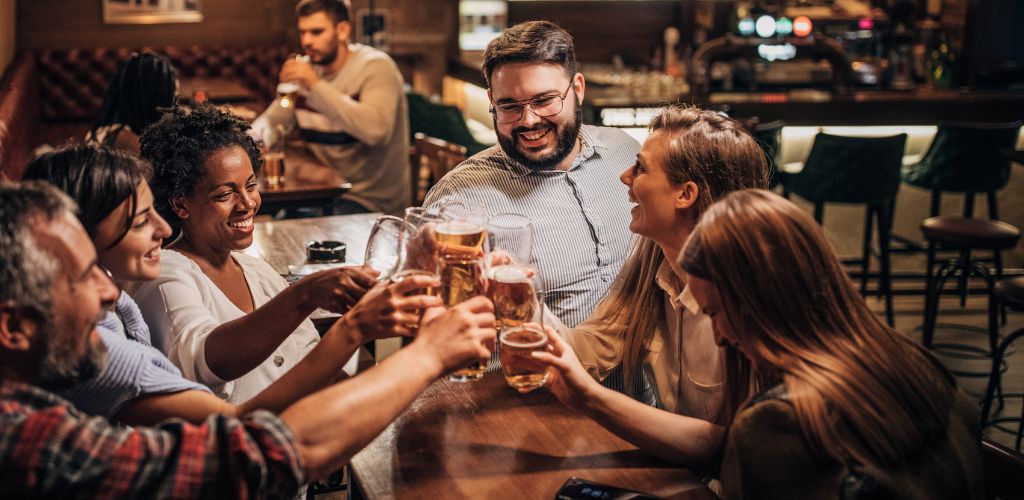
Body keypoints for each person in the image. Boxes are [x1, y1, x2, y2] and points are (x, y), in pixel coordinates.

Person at [0, 180, 495, 497]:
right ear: (14, 327)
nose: (110, 289)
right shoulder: (24, 442)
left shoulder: (52, 392)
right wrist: (425, 355)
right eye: (87, 276)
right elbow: (249, 451)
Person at [538, 189, 984, 497]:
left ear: (762, 302)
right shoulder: (918, 362)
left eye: (715, 312)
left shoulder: (779, 424)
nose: (719, 336)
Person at [22, 143, 433, 426]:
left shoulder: (123, 313)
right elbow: (234, 418)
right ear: (74, 239)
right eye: (141, 220)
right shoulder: (112, 336)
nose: (163, 229)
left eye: (251, 185)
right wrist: (345, 319)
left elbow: (321, 366)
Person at [525, 107, 767, 468]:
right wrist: (524, 300)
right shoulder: (653, 263)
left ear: (685, 194)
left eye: (640, 168)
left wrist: (590, 398)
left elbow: (735, 451)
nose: (625, 177)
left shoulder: (751, 301)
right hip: (681, 476)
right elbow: (590, 350)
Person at [134, 104, 373, 404]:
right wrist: (304, 295)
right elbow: (206, 361)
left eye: (251, 186)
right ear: (180, 204)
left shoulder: (258, 272)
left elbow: (314, 363)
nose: (247, 203)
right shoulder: (166, 274)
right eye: (224, 194)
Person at [423, 20, 641, 328]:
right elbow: (435, 333)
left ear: (577, 89)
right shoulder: (461, 199)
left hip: (641, 376)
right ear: (492, 102)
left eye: (544, 100)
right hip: (524, 375)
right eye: (510, 106)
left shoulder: (624, 151)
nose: (528, 120)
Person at [252, 0, 410, 215]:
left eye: (316, 32)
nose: (306, 41)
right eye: (303, 32)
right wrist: (254, 141)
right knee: (261, 217)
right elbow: (272, 120)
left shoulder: (376, 67)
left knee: (291, 227)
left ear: (342, 30)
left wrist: (315, 85)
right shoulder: (307, 72)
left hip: (369, 202)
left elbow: (375, 131)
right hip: (321, 192)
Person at [87, 52, 178, 155]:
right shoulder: (124, 139)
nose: (175, 105)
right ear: (154, 96)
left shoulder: (107, 130)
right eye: (172, 94)